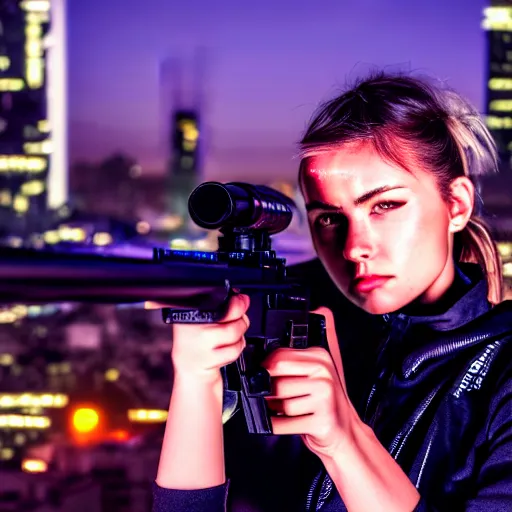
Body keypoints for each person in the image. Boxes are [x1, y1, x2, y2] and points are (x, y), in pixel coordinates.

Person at [151, 72, 512, 511]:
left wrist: (346, 440)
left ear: (456, 204)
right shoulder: (285, 329)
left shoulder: (503, 375)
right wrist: (195, 382)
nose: (354, 245)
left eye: (385, 206)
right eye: (327, 217)